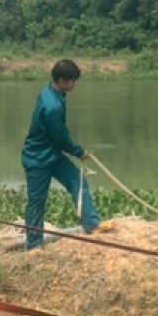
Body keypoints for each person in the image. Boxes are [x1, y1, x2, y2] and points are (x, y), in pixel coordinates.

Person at [20, 59, 115, 251]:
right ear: (62, 81)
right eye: (72, 81)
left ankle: (91, 224)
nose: (74, 85)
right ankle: (33, 246)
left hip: (52, 154)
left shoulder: (52, 92)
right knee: (36, 202)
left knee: (78, 182)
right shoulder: (52, 106)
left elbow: (58, 137)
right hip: (38, 159)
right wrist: (79, 152)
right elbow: (60, 137)